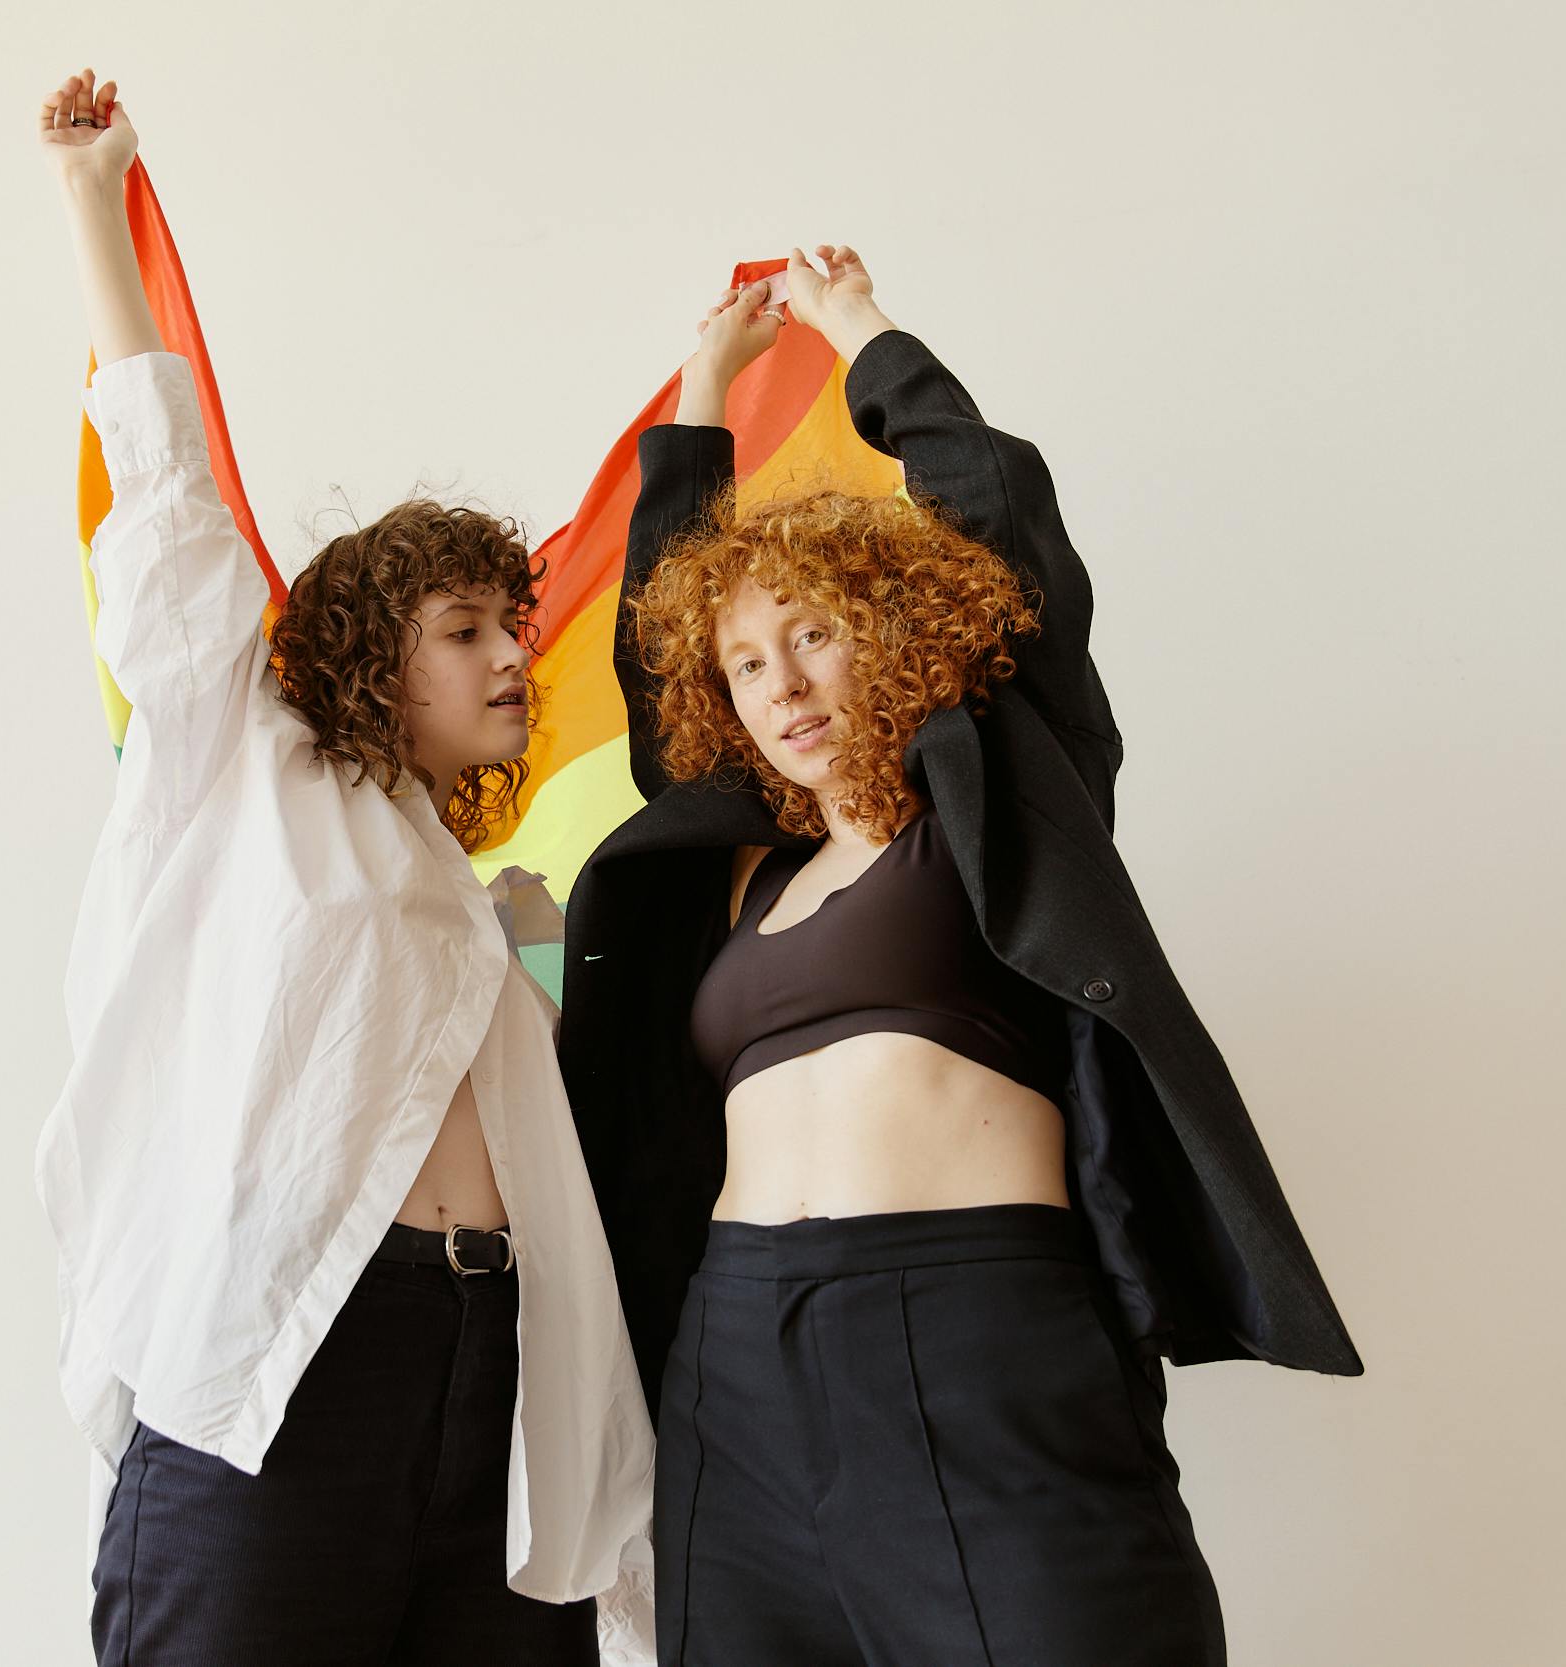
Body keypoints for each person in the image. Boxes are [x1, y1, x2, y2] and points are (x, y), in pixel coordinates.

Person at [556, 248, 1363, 1665]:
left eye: (815, 637)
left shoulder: (995, 799)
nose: (786, 684)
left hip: (972, 1316)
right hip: (733, 1365)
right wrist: (703, 396)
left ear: (900, 640)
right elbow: (652, 657)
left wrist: (860, 331)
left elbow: (1000, 519)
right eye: (748, 664)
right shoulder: (746, 868)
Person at [32, 70, 652, 1666]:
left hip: (483, 1375)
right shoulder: (246, 766)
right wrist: (97, 201)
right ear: (374, 657)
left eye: (514, 625)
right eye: (467, 630)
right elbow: (168, 508)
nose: (514, 655)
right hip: (292, 1370)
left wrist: (708, 390)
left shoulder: (468, 886)